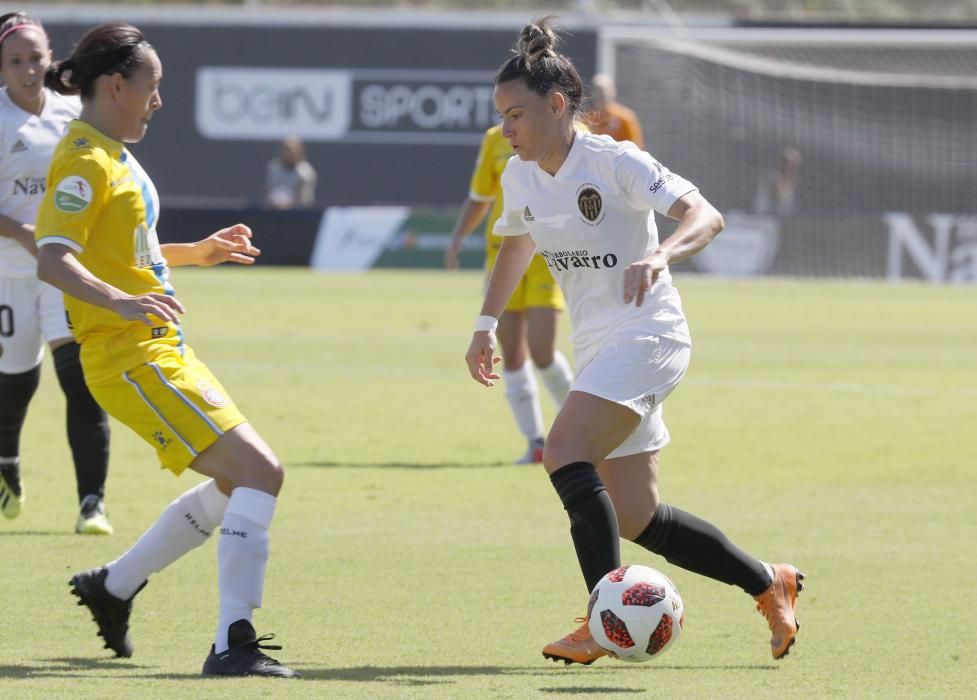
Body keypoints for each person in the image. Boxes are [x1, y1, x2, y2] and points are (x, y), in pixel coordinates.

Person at [464, 18, 803, 666]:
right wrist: (483, 325)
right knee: (634, 515)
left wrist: (663, 255)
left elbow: (705, 215)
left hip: (649, 334)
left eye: (514, 115)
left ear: (557, 105)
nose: (505, 129)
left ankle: (599, 619)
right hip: (596, 344)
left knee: (561, 449)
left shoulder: (614, 160)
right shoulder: (519, 176)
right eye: (499, 116)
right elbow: (514, 247)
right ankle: (768, 581)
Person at [34, 23, 297, 678]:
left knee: (240, 478)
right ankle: (231, 643)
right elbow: (52, 258)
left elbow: (128, 256)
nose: (158, 102)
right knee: (260, 474)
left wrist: (195, 253)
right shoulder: (84, 160)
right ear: (116, 85)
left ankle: (113, 586)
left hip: (159, 349)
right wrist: (118, 303)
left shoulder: (114, 154)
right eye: (152, 88)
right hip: (129, 357)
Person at [0, 12, 113, 535]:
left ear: (50, 60)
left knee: (80, 379)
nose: (27, 70)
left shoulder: (74, 116)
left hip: (62, 271)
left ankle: (92, 503)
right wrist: (21, 234)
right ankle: (7, 463)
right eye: (15, 61)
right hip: (8, 273)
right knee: (15, 380)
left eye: (35, 59)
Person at [446, 123, 574, 463]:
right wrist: (459, 236)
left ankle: (583, 429)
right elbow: (480, 196)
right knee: (512, 353)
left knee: (543, 350)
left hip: (547, 255)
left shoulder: (562, 135)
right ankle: (535, 443)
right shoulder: (494, 139)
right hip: (503, 252)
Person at [587, 73, 644, 149]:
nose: (600, 95)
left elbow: (636, 148)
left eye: (603, 92)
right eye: (597, 91)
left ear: (612, 92)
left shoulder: (625, 119)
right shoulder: (587, 119)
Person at [264, 135, 316, 209]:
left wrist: (289, 204)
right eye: (286, 150)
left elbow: (305, 200)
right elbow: (269, 192)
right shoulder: (273, 168)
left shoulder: (306, 172)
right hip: (273, 211)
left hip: (297, 213)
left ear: (299, 152)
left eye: (292, 150)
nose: (289, 154)